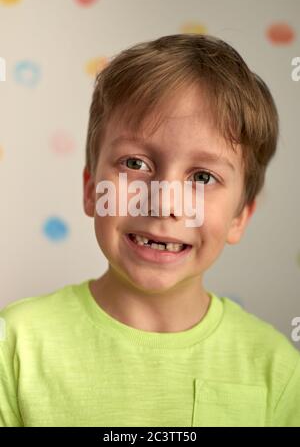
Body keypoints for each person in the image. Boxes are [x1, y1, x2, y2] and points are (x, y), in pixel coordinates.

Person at [1, 34, 299, 427]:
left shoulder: (278, 371)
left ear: (240, 216)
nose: (164, 202)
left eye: (203, 176)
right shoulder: (13, 346)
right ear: (91, 190)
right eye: (136, 165)